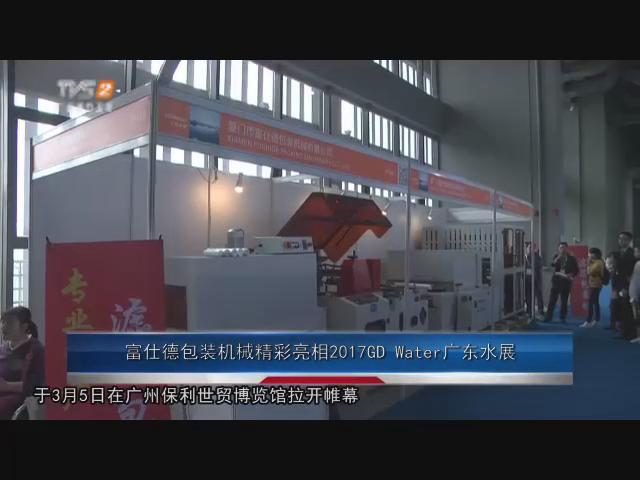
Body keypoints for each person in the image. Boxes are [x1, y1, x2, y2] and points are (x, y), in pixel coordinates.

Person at [0, 306, 44, 420]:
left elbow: (36, 385)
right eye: (3, 322)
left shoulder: (36, 350)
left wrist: (6, 386)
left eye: (9, 323)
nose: (4, 326)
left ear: (24, 326)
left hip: (18, 402)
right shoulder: (2, 349)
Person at [543, 242, 579, 323]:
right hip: (556, 282)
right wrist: (558, 258)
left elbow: (576, 270)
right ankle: (548, 317)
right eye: (560, 247)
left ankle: (562, 317)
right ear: (558, 249)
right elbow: (552, 264)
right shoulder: (556, 256)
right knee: (552, 300)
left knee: (564, 301)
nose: (562, 249)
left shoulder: (571, 258)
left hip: (566, 282)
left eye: (563, 247)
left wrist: (572, 274)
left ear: (567, 248)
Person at [613, 232, 637, 340]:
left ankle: (631, 333)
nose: (621, 241)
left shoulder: (632, 253)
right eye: (620, 238)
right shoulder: (619, 253)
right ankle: (624, 331)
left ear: (629, 240)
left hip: (628, 285)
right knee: (622, 309)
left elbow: (631, 273)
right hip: (619, 284)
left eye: (624, 239)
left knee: (628, 310)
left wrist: (626, 287)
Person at [581, 247, 604, 328]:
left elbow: (589, 271)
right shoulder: (595, 262)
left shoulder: (599, 262)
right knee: (595, 302)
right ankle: (596, 319)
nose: (589, 255)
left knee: (590, 303)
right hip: (593, 284)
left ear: (595, 254)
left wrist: (588, 264)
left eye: (590, 253)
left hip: (596, 285)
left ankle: (588, 320)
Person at [525, 242, 544, 319]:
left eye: (532, 247)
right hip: (527, 280)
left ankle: (540, 311)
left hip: (536, 280)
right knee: (528, 296)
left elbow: (540, 266)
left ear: (535, 248)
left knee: (538, 295)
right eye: (529, 247)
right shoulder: (525, 257)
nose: (530, 249)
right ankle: (529, 311)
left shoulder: (537, 257)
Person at [627, 247, 640, 343]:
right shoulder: (637, 264)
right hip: (634, 293)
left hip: (636, 293)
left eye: (636, 251)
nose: (635, 253)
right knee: (636, 315)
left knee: (637, 315)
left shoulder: (638, 264)